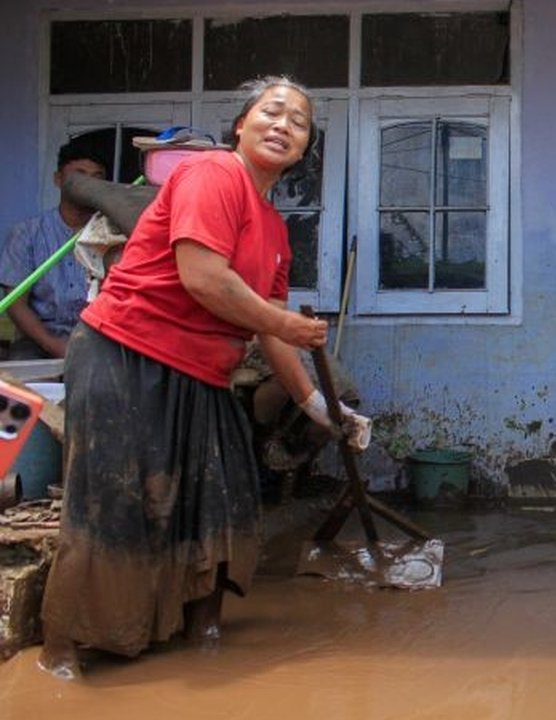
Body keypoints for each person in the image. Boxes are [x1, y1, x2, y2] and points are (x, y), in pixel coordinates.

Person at [38, 76, 370, 679]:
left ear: (304, 148)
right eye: (271, 112)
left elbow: (267, 331)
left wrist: (316, 402)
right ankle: (63, 656)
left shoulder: (273, 228)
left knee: (222, 505)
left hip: (202, 373)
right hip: (125, 352)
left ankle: (201, 639)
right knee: (110, 506)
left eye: (298, 122)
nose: (283, 125)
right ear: (240, 125)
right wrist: (287, 325)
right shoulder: (213, 175)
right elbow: (205, 280)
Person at [0, 142, 107, 359]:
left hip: (99, 340)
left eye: (97, 177)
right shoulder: (27, 233)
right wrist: (55, 346)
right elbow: (16, 305)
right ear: (58, 179)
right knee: (21, 387)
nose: (89, 184)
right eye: (80, 175)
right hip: (38, 340)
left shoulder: (114, 235)